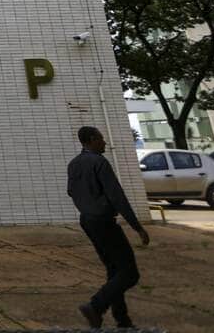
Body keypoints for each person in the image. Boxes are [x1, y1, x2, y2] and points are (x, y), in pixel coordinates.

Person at [67, 125, 150, 329]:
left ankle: (122, 320)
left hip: (87, 220)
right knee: (129, 273)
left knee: (114, 270)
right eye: (102, 139)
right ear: (93, 139)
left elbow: (70, 191)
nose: (105, 142)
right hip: (103, 221)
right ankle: (96, 306)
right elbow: (117, 196)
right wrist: (137, 227)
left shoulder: (74, 164)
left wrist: (87, 204)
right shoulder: (99, 162)